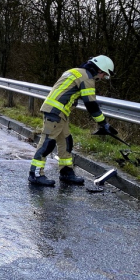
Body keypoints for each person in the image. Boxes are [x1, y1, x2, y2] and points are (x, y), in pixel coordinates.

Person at [28, 55, 117, 186]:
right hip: (55, 112)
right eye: (104, 75)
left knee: (66, 141)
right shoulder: (87, 78)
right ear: (100, 70)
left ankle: (66, 172)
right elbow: (91, 104)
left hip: (60, 112)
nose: (102, 78)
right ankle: (35, 174)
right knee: (47, 143)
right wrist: (104, 123)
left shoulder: (75, 71)